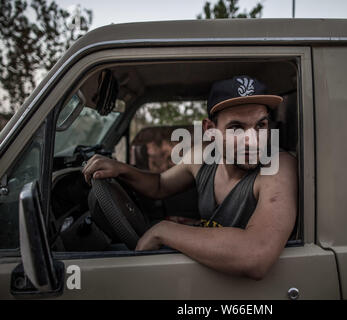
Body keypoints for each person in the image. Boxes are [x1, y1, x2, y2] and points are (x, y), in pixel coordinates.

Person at [82, 75, 298, 280]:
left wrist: (164, 231)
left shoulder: (277, 167)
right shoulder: (202, 157)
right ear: (210, 130)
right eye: (236, 128)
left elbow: (256, 256)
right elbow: (159, 186)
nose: (253, 141)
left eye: (260, 125)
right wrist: (122, 169)